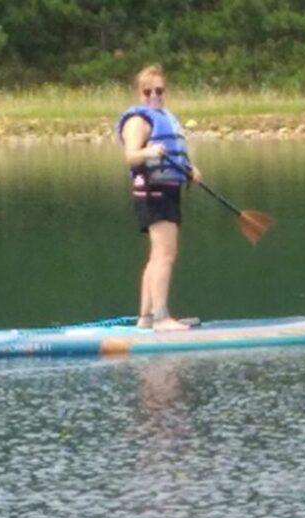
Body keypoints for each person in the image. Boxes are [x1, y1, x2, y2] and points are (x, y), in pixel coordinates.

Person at [116, 64, 202, 331]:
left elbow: (173, 154)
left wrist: (189, 169)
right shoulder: (138, 121)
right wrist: (150, 152)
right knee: (165, 254)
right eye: (147, 91)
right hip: (153, 192)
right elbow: (131, 155)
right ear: (139, 93)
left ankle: (146, 318)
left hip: (167, 190)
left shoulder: (164, 117)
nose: (154, 96)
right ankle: (161, 317)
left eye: (159, 91)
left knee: (158, 255)